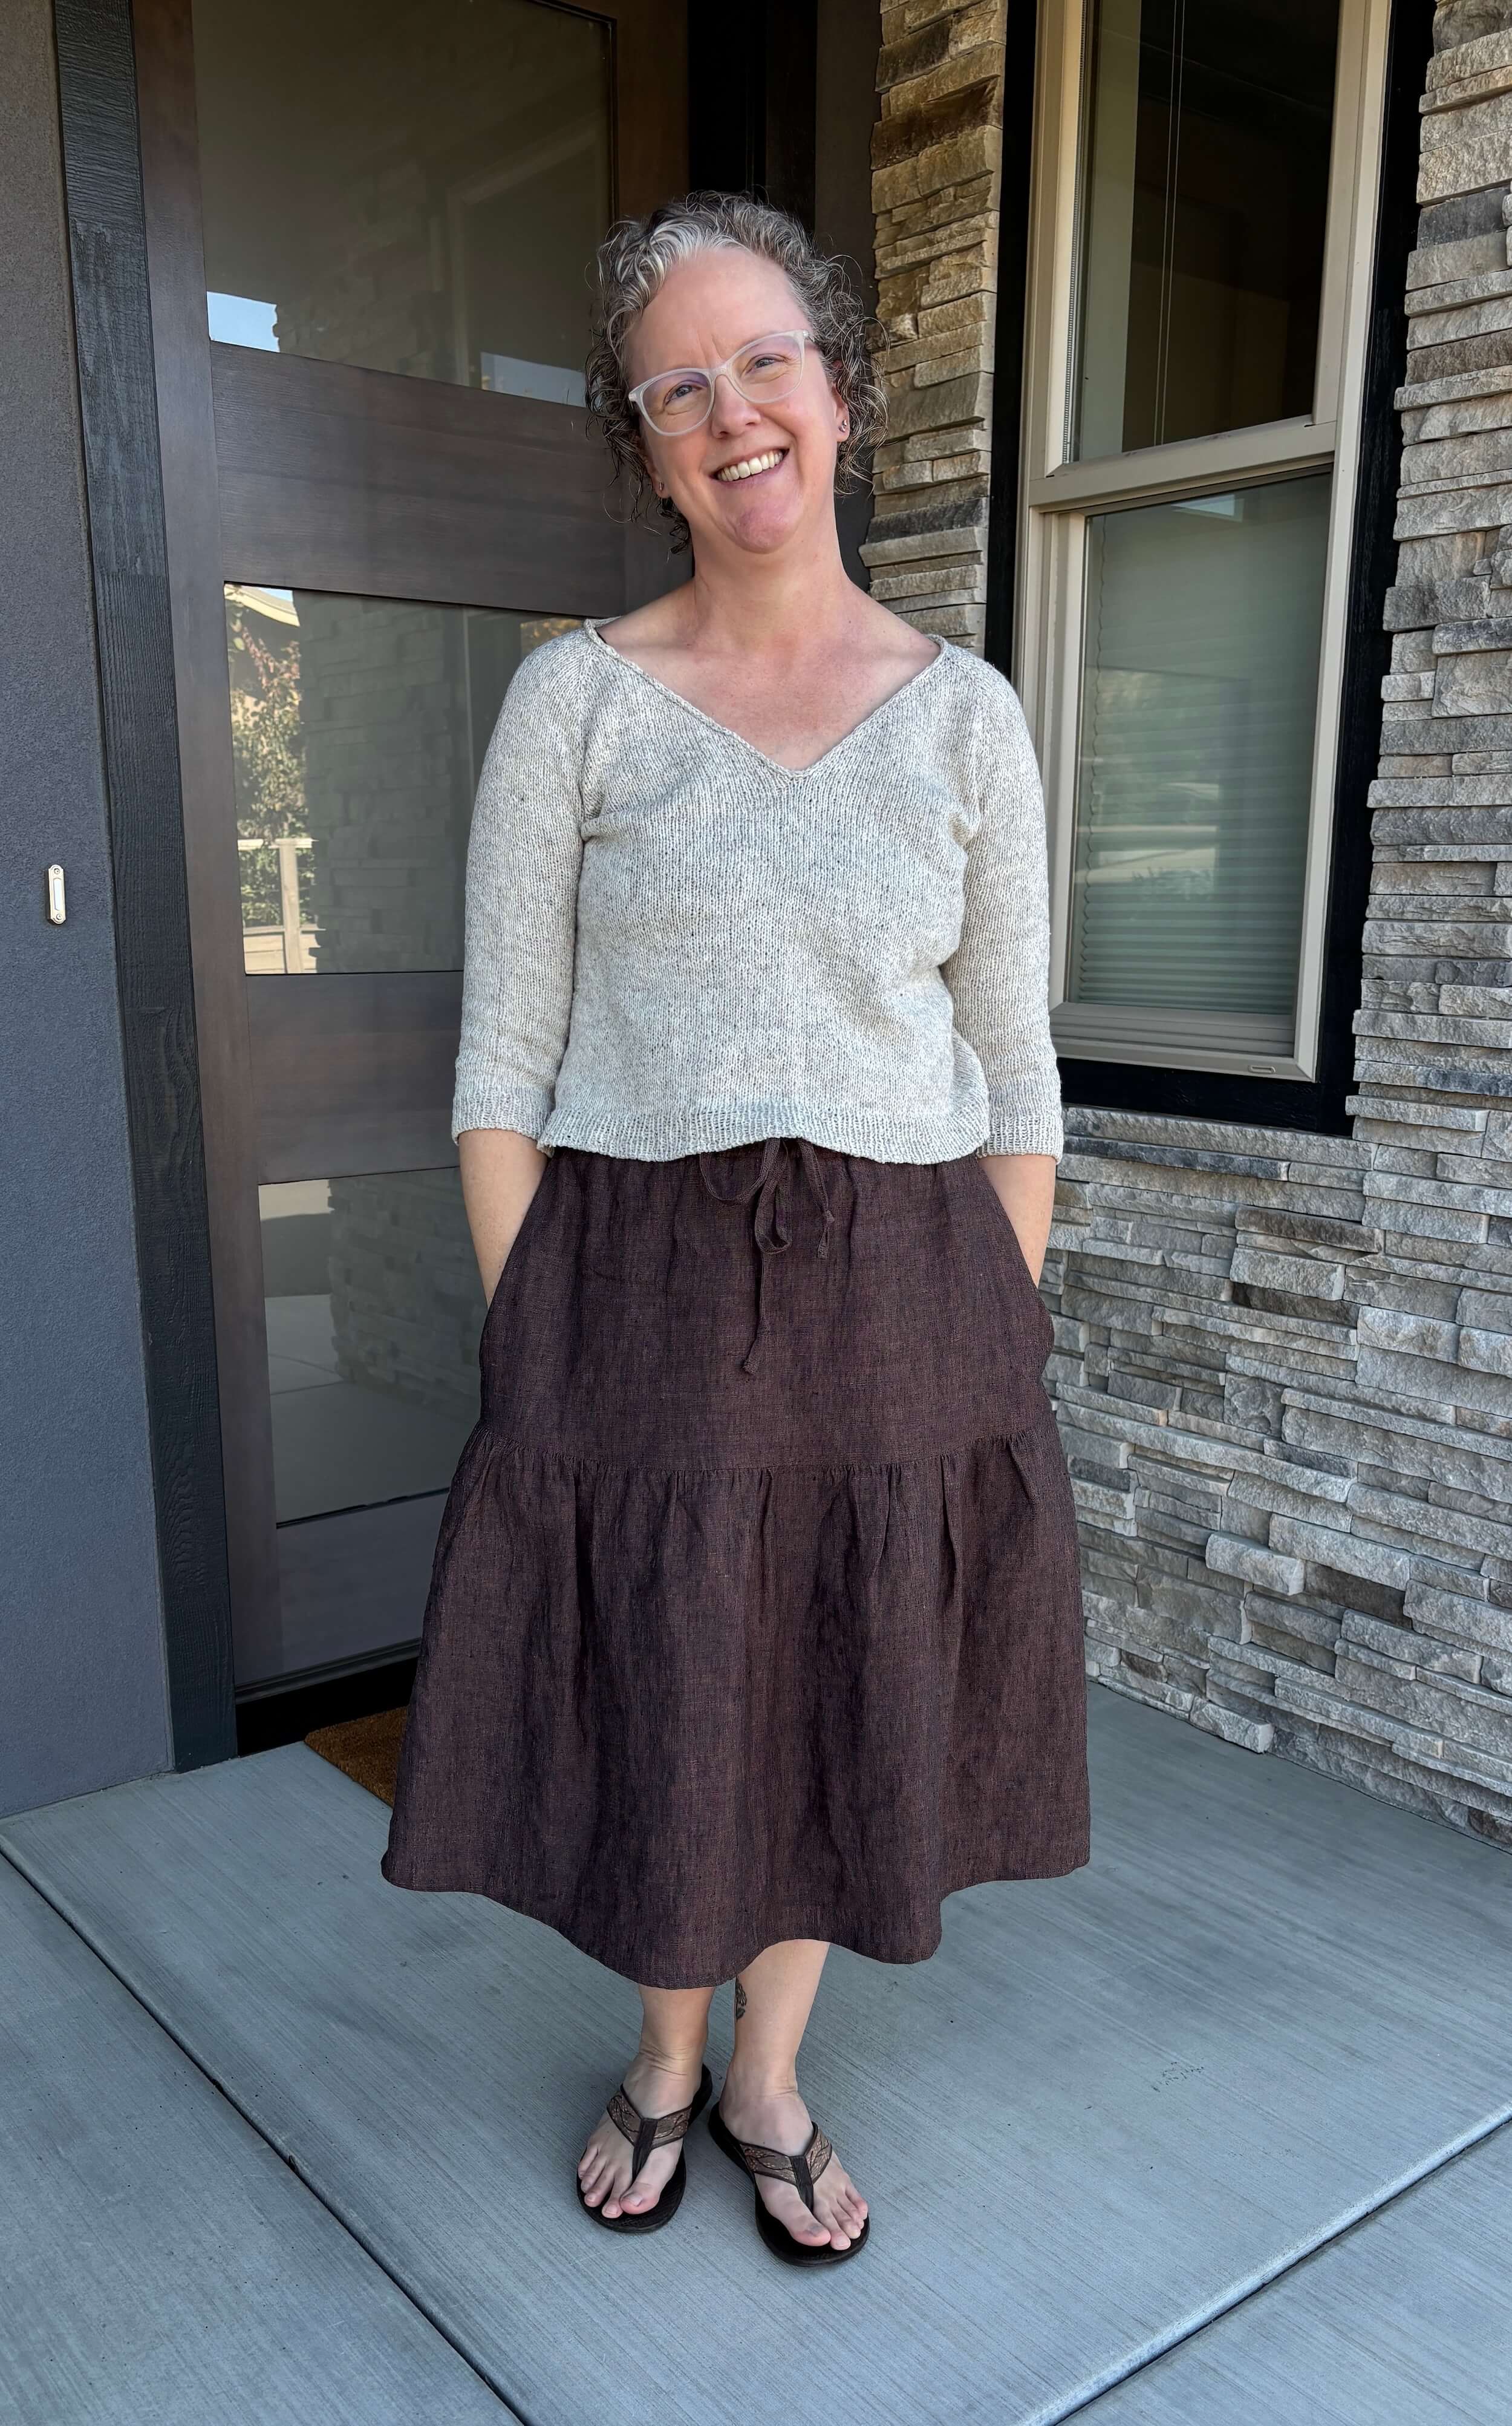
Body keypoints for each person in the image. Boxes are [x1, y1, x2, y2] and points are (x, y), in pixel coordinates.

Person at [382, 191, 1089, 2268]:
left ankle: (767, 2073)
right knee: (671, 1678)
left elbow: (1015, 1065)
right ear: (644, 441)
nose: (729, 410)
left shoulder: (963, 716)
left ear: (840, 391)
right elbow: (500, 1059)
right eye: (674, 385)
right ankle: (664, 2054)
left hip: (909, 1293)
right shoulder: (577, 705)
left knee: (843, 1687)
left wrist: (989, 1314)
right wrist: (553, 1326)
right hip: (637, 1287)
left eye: (761, 359)